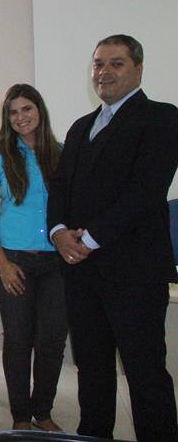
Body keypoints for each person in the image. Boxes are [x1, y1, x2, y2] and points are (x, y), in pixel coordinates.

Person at [47, 34, 178, 440]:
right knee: (92, 371)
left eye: (116, 63)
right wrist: (58, 233)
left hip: (135, 273)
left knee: (144, 373)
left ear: (138, 69)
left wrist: (89, 239)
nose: (104, 72)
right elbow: (60, 187)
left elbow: (146, 190)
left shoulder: (162, 118)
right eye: (98, 64)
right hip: (81, 275)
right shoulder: (81, 126)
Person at [0, 84, 66, 432]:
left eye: (27, 109)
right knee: (18, 341)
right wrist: (3, 264)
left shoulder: (61, 153)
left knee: (52, 341)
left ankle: (43, 411)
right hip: (13, 262)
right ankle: (21, 418)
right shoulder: (0, 157)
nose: (20, 117)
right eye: (13, 112)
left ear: (39, 110)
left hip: (57, 263)